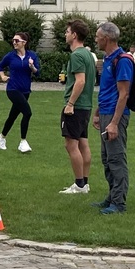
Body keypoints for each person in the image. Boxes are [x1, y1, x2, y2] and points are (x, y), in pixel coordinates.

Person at [92, 22, 132, 215]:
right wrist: (98, 113)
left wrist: (114, 123)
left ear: (106, 39)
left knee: (116, 158)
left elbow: (123, 94)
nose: (95, 39)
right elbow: (107, 90)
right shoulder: (108, 59)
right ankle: (112, 196)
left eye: (97, 36)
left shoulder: (122, 60)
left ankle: (119, 203)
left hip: (116, 116)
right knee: (106, 159)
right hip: (106, 113)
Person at [59, 20, 95, 194]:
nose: (65, 34)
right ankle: (85, 183)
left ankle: (79, 184)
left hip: (76, 106)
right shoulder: (89, 54)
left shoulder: (77, 55)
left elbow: (80, 81)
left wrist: (70, 104)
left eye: (67, 32)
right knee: (83, 143)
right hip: (86, 106)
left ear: (74, 35)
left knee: (71, 145)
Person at [0, 32, 40, 153]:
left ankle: (1, 137)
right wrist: (3, 76)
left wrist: (32, 66)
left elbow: (37, 72)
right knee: (27, 113)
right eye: (13, 40)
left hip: (25, 90)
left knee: (13, 116)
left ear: (24, 42)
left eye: (17, 40)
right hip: (13, 89)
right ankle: (23, 142)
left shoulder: (32, 56)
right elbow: (0, 67)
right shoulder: (10, 56)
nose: (14, 42)